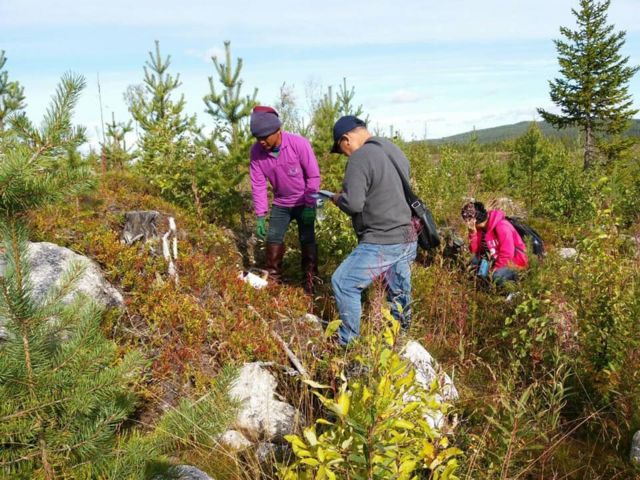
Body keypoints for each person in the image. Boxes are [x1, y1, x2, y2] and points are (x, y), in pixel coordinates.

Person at [329, 115, 418, 345]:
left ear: (346, 139)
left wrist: (337, 198)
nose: (345, 154)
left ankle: (349, 344)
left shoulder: (359, 158)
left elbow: (354, 204)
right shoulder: (392, 148)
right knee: (398, 291)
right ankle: (400, 338)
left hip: (382, 239)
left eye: (341, 149)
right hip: (408, 235)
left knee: (343, 282)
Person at [249, 106, 321, 293]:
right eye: (258, 138)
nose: (261, 142)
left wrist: (310, 205)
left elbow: (313, 176)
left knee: (307, 239)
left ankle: (310, 282)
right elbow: (258, 184)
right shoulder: (256, 152)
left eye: (265, 137)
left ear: (277, 131)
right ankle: (273, 282)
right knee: (273, 238)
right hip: (281, 203)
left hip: (304, 201)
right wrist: (260, 214)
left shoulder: (299, 144)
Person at [461, 201, 528, 285]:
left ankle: (514, 288)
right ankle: (483, 283)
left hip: (514, 263)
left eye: (467, 221)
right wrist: (473, 234)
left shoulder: (502, 226)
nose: (467, 224)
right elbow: (475, 251)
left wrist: (493, 271)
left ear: (473, 221)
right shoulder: (480, 229)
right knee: (472, 260)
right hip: (494, 259)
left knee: (495, 277)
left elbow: (507, 254)